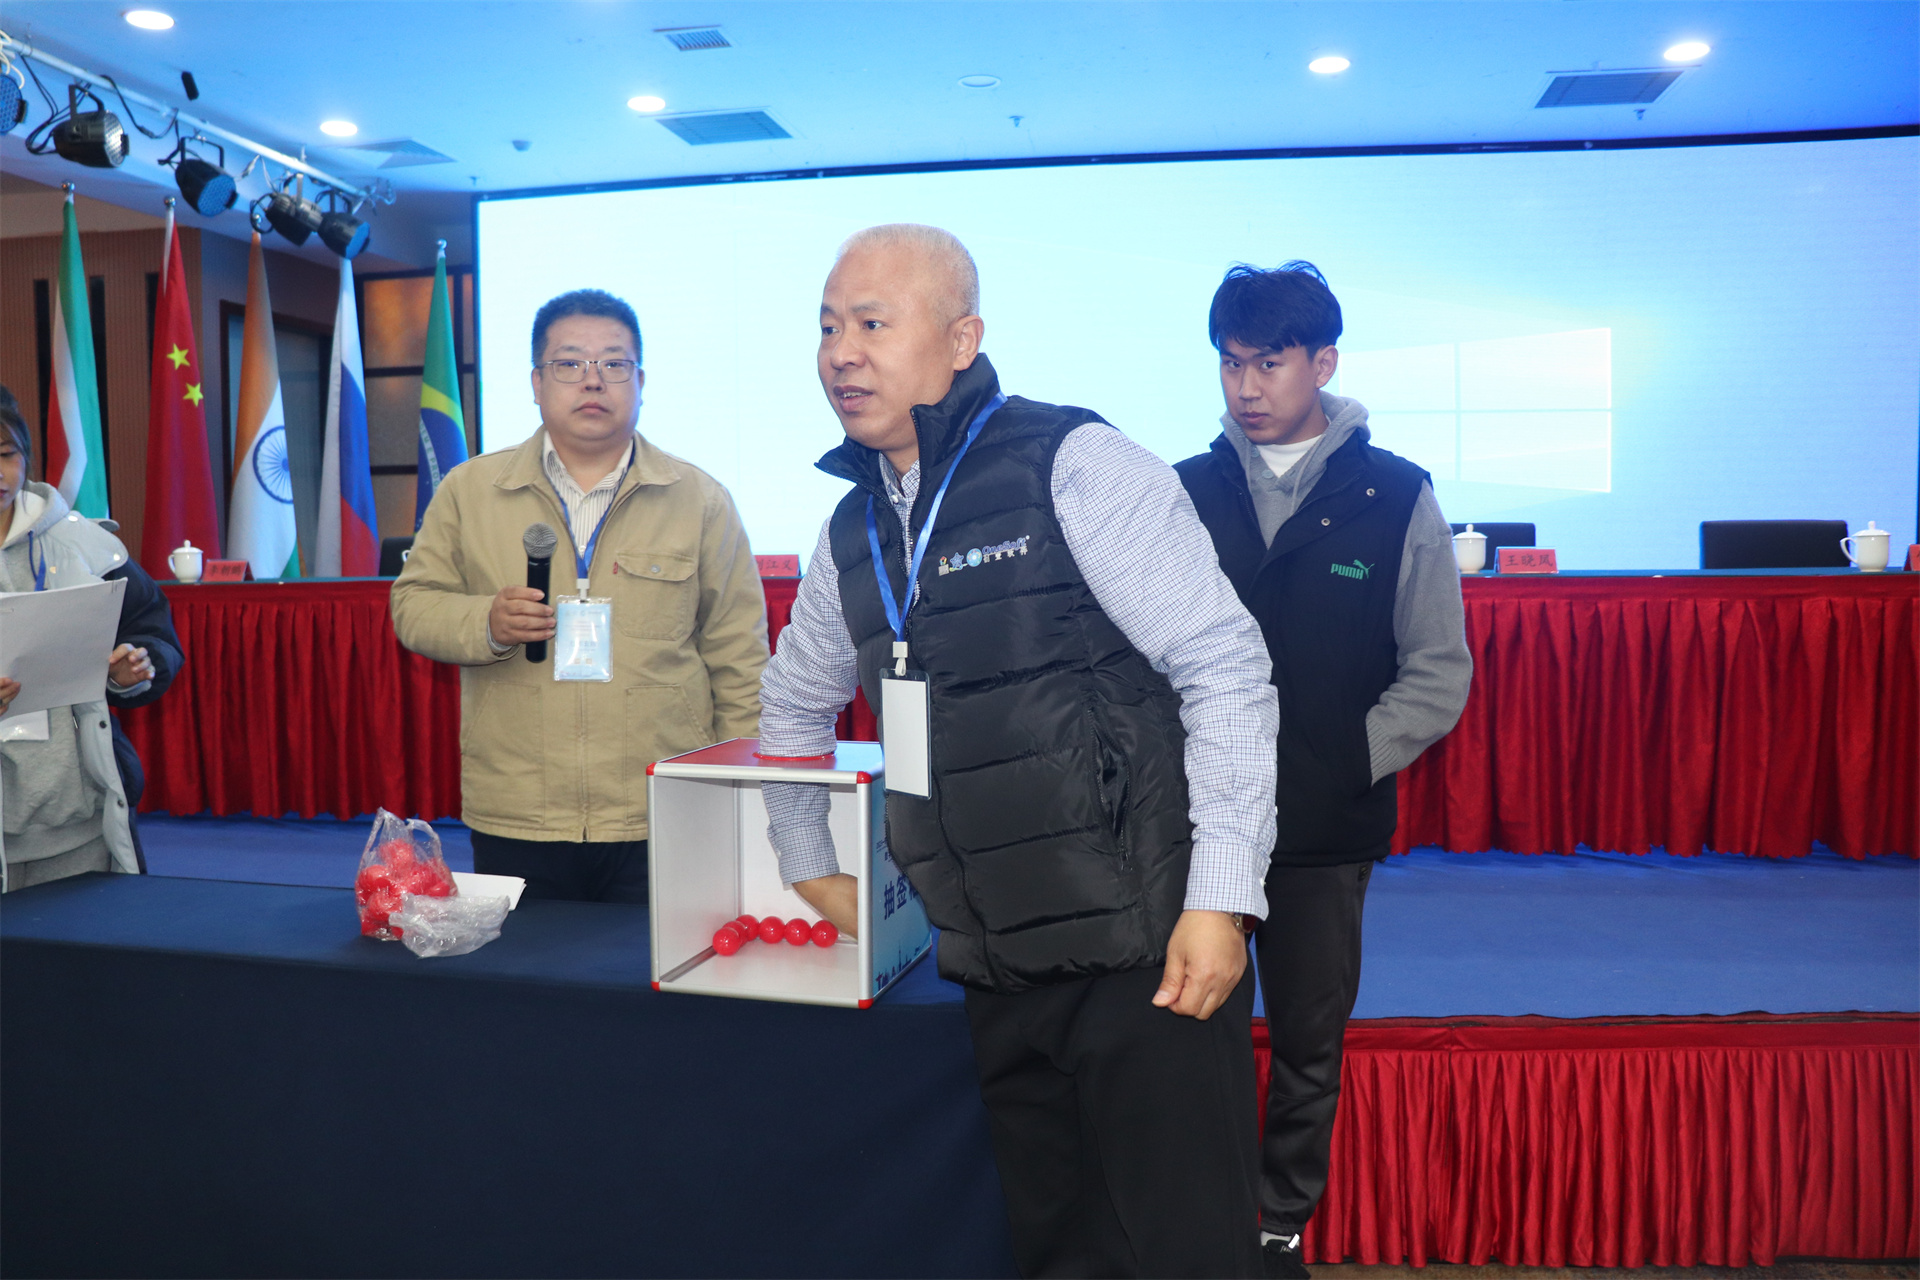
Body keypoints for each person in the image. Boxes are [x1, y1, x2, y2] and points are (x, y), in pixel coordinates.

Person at [759, 224, 1279, 1278]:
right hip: (994, 964)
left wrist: (1222, 899)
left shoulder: (1072, 463)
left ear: (962, 340)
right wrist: (807, 860)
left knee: (1187, 1250)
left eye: (871, 323)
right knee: (1058, 1249)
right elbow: (793, 700)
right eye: (827, 327)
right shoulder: (854, 528)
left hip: (1146, 952)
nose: (841, 353)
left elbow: (1223, 666)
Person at [1173, 262, 1472, 1280]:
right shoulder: (1182, 491)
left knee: (1308, 1037)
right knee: (1190, 1031)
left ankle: (1281, 1221)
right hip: (1194, 827)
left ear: (1324, 362)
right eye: (1230, 363)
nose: (1245, 386)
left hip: (1324, 826)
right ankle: (1201, 1217)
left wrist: (1347, 762)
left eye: (1269, 362)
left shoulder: (1395, 494)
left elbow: (1438, 670)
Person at [391, 289, 768, 903]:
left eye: (614, 363)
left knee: (662, 964)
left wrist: (739, 787)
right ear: (536, 382)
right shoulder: (471, 490)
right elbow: (413, 605)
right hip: (519, 808)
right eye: (569, 363)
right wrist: (485, 621)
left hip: (664, 804)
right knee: (528, 966)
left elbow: (739, 657)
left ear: (640, 382)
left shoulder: (699, 499)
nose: (593, 380)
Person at [0, 385, 183, 891]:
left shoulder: (82, 542)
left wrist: (132, 669)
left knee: (84, 940)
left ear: (26, 458)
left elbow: (152, 628)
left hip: (79, 823)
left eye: (6, 454)